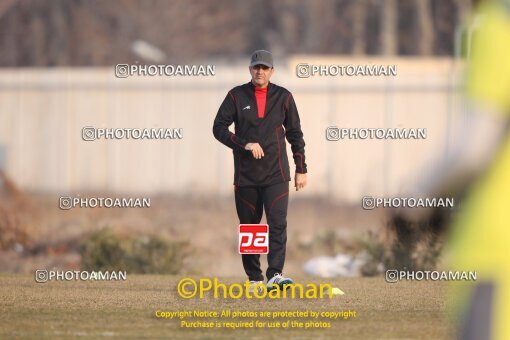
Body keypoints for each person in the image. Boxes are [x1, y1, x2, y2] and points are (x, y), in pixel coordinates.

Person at [213, 50, 307, 292]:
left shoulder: (284, 97)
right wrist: (244, 144)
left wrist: (301, 169)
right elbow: (218, 128)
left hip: (277, 174)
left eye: (265, 68)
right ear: (250, 69)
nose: (260, 71)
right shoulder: (236, 96)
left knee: (277, 224)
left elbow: (296, 134)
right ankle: (254, 279)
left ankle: (275, 274)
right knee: (251, 227)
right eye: (256, 67)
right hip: (246, 176)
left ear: (272, 71)